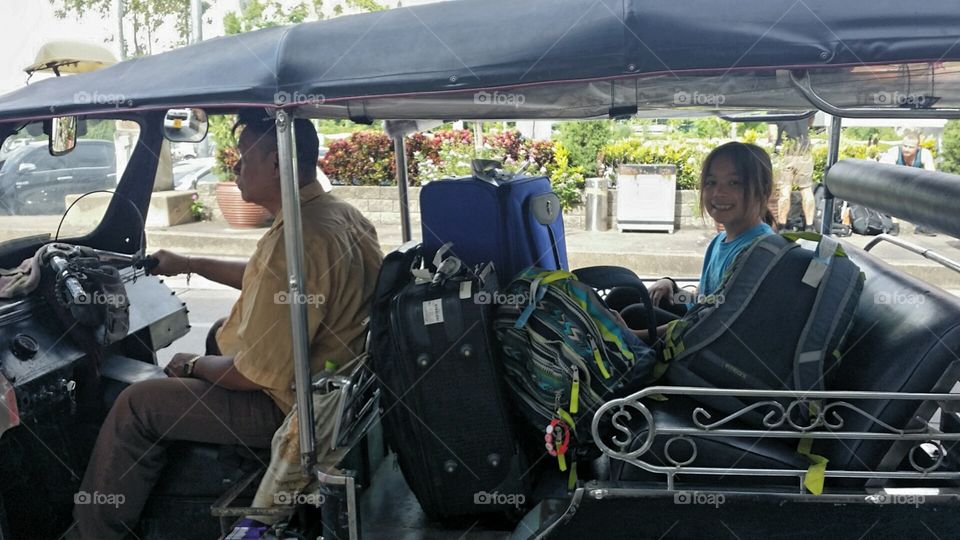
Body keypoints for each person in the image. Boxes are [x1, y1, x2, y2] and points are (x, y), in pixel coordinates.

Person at [69, 110, 383, 539]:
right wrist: (190, 263)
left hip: (292, 412)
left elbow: (250, 374)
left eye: (243, 157)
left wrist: (192, 365)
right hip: (338, 394)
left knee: (137, 405)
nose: (235, 167)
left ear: (276, 163)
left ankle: (94, 532)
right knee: (219, 328)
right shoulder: (334, 216)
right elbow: (266, 279)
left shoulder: (298, 240)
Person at [614, 142, 777, 341]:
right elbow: (705, 301)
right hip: (702, 322)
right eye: (711, 182)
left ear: (764, 189)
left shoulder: (756, 252)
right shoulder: (720, 240)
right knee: (625, 293)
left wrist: (633, 335)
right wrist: (673, 289)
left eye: (734, 183)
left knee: (635, 315)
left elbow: (713, 320)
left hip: (711, 344)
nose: (718, 193)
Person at [879, 129, 938, 235]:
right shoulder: (893, 152)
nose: (906, 149)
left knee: (930, 190)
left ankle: (922, 225)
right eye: (905, 146)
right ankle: (894, 224)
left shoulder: (924, 154)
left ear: (917, 147)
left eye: (911, 147)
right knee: (889, 190)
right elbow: (887, 173)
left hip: (915, 184)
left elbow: (932, 176)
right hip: (896, 183)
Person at [770, 119, 816, 232]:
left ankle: (782, 225)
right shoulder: (805, 103)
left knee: (784, 190)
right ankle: (809, 226)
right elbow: (810, 122)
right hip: (804, 151)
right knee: (806, 189)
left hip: (786, 153)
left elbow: (772, 134)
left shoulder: (775, 106)